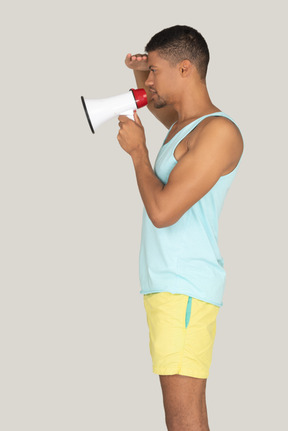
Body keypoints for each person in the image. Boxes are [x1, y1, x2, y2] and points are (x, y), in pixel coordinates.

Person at [117, 25, 243, 431]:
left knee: (183, 420)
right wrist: (140, 75)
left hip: (184, 288)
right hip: (170, 287)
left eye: (155, 71)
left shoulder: (218, 132)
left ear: (185, 68)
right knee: (188, 418)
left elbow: (162, 211)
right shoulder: (184, 126)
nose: (149, 81)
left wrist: (138, 153)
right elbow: (162, 111)